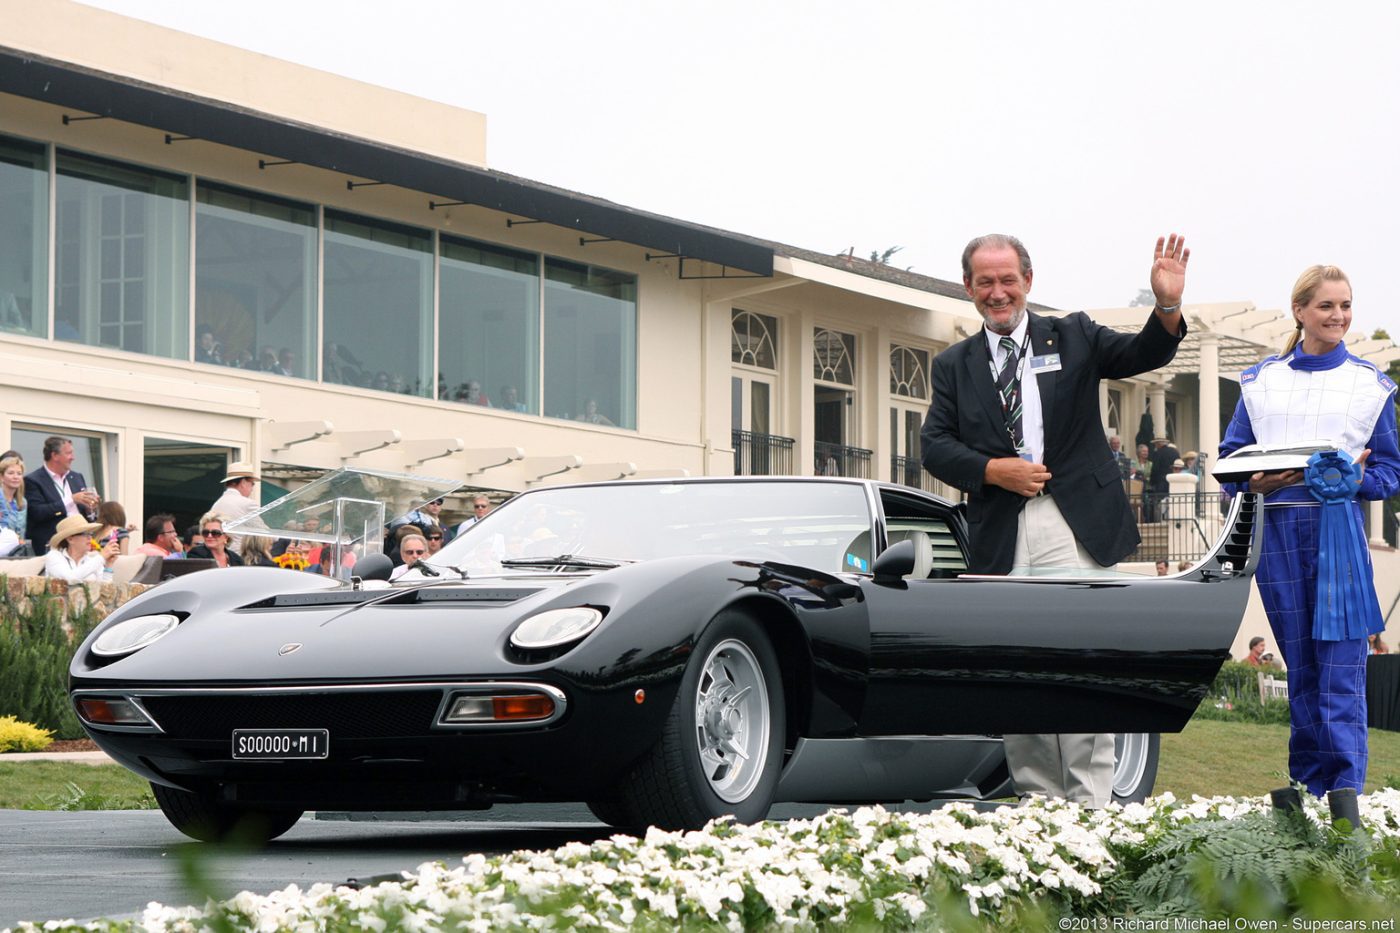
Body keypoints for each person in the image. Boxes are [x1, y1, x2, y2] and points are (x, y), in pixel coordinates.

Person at [921, 232, 1188, 808]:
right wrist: (995, 470)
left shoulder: (1074, 334)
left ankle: (1090, 806)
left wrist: (1166, 306)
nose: (998, 292)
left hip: (1074, 525)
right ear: (968, 288)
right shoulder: (953, 365)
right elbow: (935, 447)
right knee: (1020, 669)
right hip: (1002, 532)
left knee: (1080, 661)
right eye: (985, 282)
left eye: (1007, 279)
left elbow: (1144, 354)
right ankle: (1038, 808)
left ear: (1028, 281)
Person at [1218, 264, 1398, 796]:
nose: (1338, 316)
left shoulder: (1370, 386)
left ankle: (1345, 800)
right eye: (1326, 306)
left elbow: (1390, 472)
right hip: (1276, 533)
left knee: (1340, 669)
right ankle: (1306, 792)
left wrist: (1354, 479)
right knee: (1302, 668)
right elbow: (1230, 463)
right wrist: (1257, 480)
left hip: (1337, 533)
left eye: (1345, 306)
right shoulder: (1260, 383)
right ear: (1300, 311)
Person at [23, 436, 100, 555]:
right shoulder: (33, 480)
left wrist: (91, 509)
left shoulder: (77, 477)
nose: (73, 457)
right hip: (53, 545)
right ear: (55, 456)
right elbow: (37, 513)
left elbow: (88, 516)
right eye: (69, 453)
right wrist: (71, 500)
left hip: (81, 544)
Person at [43, 513, 120, 583]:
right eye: (85, 533)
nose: (90, 538)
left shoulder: (91, 560)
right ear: (70, 539)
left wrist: (108, 566)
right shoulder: (54, 556)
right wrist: (101, 557)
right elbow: (69, 580)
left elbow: (105, 592)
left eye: (91, 533)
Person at [210, 461, 259, 555]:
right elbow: (265, 534)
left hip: (219, 556)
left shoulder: (217, 504)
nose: (252, 488)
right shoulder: (248, 504)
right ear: (243, 483)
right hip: (241, 558)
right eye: (252, 484)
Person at [0, 453, 28, 556]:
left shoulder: (23, 502)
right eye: (11, 473)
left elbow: (22, 531)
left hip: (16, 554)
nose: (16, 477)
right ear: (2, 477)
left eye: (19, 473)